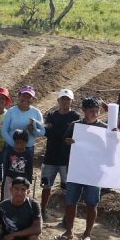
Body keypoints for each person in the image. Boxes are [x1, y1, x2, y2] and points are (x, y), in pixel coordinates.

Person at [61, 98, 107, 240]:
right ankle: (69, 231)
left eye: (96, 111)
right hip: (76, 169)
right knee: (70, 201)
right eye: (91, 111)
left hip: (94, 172)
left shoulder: (105, 128)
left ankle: (87, 234)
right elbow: (64, 141)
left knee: (92, 203)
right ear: (84, 111)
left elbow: (111, 149)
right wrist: (68, 142)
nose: (94, 113)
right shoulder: (75, 126)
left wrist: (115, 135)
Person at [40, 89, 80, 219]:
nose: (65, 101)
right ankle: (42, 211)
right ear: (58, 100)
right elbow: (46, 132)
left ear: (71, 101)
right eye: (62, 98)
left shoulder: (75, 117)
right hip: (50, 157)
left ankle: (66, 217)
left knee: (68, 189)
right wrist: (62, 133)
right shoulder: (51, 115)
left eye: (67, 99)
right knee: (46, 186)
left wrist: (55, 131)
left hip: (67, 159)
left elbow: (73, 135)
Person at [1, 85, 46, 156]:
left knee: (27, 167)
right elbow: (4, 131)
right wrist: (15, 144)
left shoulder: (37, 112)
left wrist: (34, 130)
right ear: (19, 96)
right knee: (9, 167)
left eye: (29, 97)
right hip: (11, 148)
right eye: (24, 96)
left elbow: (42, 132)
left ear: (33, 99)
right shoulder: (11, 111)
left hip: (28, 149)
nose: (26, 99)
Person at [1, 129, 34, 201]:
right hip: (10, 179)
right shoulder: (10, 152)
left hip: (22, 181)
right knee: (7, 197)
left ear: (26, 142)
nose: (19, 145)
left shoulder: (28, 154)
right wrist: (5, 177)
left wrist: (29, 181)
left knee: (20, 197)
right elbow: (6, 165)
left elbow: (29, 168)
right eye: (17, 143)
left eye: (21, 143)